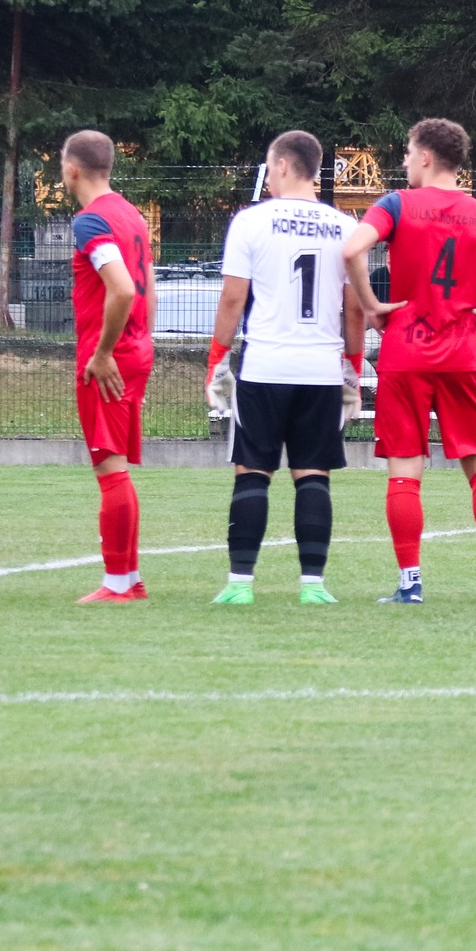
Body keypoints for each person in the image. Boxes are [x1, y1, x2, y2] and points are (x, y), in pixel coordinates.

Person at [344, 118, 476, 604]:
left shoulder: (395, 205)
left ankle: (410, 584)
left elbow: (352, 248)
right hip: (460, 351)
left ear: (425, 157)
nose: (402, 161)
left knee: (404, 469)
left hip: (405, 353)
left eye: (406, 153)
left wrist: (372, 304)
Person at [204, 131, 365, 606]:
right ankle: (313, 585)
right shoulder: (346, 227)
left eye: (269, 168)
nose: (268, 176)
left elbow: (234, 298)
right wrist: (352, 369)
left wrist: (217, 358)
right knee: (313, 473)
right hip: (319, 367)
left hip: (265, 365)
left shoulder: (251, 222)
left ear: (283, 166)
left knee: (252, 470)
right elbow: (353, 308)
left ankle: (240, 583)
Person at [63, 130, 157, 604]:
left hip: (110, 358)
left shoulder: (90, 221)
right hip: (136, 349)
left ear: (72, 169)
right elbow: (149, 287)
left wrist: (101, 354)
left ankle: (119, 582)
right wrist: (146, 340)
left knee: (110, 467)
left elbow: (121, 289)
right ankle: (129, 577)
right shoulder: (132, 214)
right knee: (114, 466)